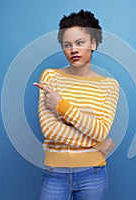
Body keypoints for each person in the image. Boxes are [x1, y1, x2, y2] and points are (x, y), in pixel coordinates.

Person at [34, 9, 119, 200]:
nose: (73, 50)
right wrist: (97, 144)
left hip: (93, 175)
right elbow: (50, 129)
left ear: (94, 43)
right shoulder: (50, 77)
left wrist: (61, 105)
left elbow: (100, 130)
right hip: (55, 173)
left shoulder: (109, 85)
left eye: (80, 43)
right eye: (67, 44)